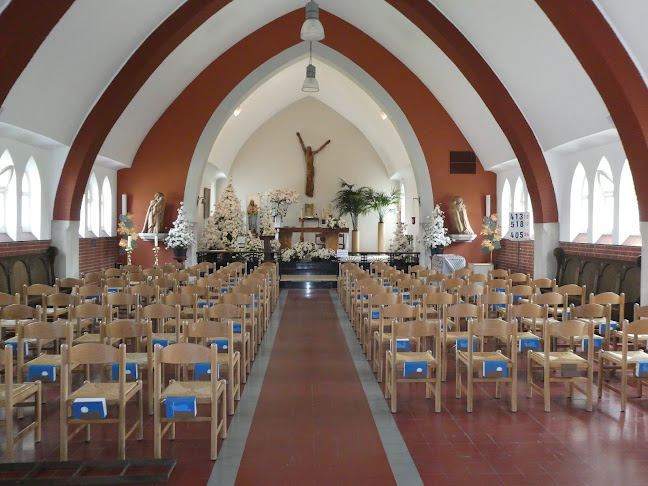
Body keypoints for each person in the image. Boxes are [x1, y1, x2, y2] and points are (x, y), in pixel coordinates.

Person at [297, 132, 330, 198]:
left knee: (311, 180)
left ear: (311, 149)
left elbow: (320, 149)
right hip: (308, 169)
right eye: (308, 148)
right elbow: (302, 144)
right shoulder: (305, 153)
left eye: (310, 148)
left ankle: (311, 192)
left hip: (312, 168)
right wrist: (299, 136)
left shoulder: (312, 154)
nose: (308, 148)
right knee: (308, 180)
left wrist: (326, 143)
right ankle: (308, 192)